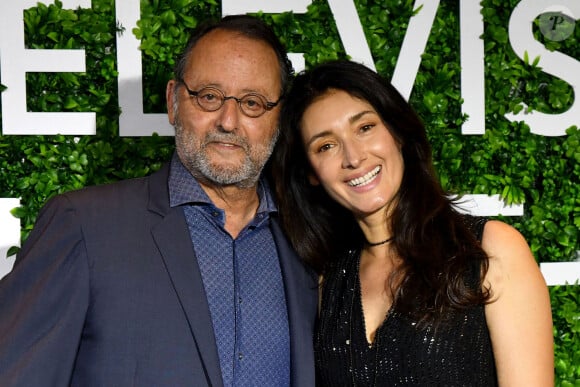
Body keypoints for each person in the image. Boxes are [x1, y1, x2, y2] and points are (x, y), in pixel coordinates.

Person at [0, 15, 317, 386]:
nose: (229, 121)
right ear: (173, 100)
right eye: (209, 96)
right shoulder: (83, 225)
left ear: (279, 118)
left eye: (253, 102)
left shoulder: (306, 241)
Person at [271, 60, 554, 386]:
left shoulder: (489, 250)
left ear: (398, 134)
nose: (353, 157)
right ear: (311, 174)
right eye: (326, 146)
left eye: (365, 128)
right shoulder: (325, 281)